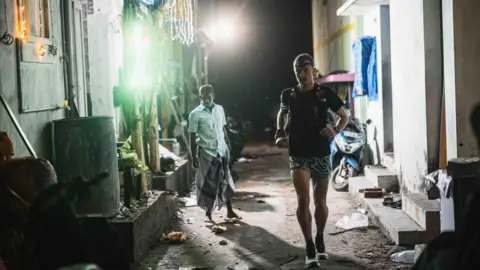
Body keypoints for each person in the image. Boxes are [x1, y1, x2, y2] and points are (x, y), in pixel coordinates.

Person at [275, 54, 349, 268]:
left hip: (321, 153)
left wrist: (335, 130)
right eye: (297, 70)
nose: (301, 74)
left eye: (305, 69)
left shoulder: (324, 94)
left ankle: (320, 237)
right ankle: (309, 246)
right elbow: (283, 112)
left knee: (321, 203)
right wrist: (280, 132)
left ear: (313, 71)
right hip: (298, 153)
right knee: (302, 201)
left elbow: (344, 117)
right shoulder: (288, 94)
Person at [188, 84, 241, 223]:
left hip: (222, 150)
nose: (205, 100)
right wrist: (193, 156)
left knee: (226, 180)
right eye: (203, 98)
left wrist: (228, 143)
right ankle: (208, 214)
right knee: (208, 183)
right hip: (207, 152)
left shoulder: (220, 110)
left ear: (214, 96)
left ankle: (230, 211)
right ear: (200, 97)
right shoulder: (195, 114)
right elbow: (192, 137)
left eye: (208, 97)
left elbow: (222, 128)